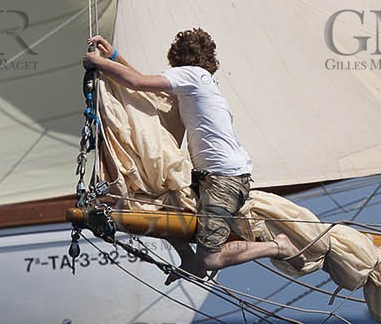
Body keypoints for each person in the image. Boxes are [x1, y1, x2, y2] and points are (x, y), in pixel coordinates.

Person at [83, 29, 304, 273]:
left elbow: (136, 83)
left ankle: (278, 247)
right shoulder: (200, 80)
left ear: (177, 57)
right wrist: (113, 56)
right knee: (158, 201)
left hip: (224, 180)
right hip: (215, 177)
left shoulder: (192, 75)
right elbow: (143, 82)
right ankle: (188, 259)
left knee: (209, 260)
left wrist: (98, 63)